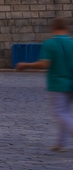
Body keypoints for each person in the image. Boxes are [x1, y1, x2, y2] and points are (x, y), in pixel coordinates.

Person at [14, 16, 73, 151]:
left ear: (53, 28)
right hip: (71, 82)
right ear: (66, 28)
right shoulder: (72, 43)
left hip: (57, 84)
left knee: (59, 113)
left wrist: (26, 65)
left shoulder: (50, 44)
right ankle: (60, 143)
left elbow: (44, 64)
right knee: (65, 113)